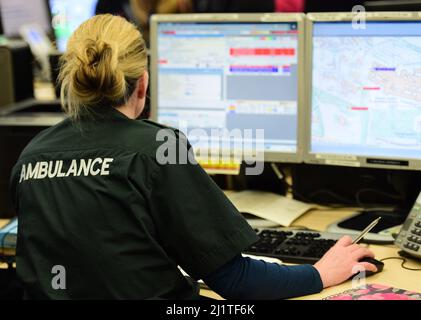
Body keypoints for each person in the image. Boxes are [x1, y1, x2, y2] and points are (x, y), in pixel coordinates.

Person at [10, 14, 378, 300]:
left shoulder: (31, 155)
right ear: (143, 82)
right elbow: (235, 280)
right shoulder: (157, 149)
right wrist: (321, 272)